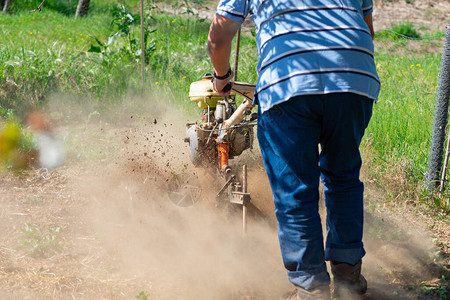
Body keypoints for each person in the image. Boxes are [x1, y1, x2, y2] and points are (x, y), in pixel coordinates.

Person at [208, 0, 380, 299]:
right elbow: (367, 29)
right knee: (343, 177)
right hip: (353, 79)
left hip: (288, 83)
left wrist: (222, 78)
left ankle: (311, 287)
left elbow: (220, 35)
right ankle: (348, 277)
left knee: (295, 188)